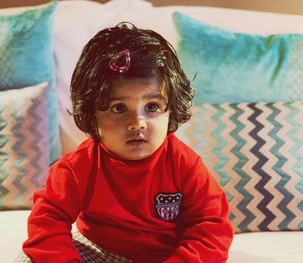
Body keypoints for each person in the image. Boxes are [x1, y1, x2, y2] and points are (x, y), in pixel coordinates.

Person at [22, 22, 233, 262]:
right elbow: (47, 219)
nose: (137, 122)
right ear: (92, 114)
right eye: (119, 108)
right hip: (98, 250)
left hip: (168, 255)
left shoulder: (185, 165)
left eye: (152, 107)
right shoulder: (77, 168)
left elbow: (211, 226)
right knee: (28, 258)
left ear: (170, 109)